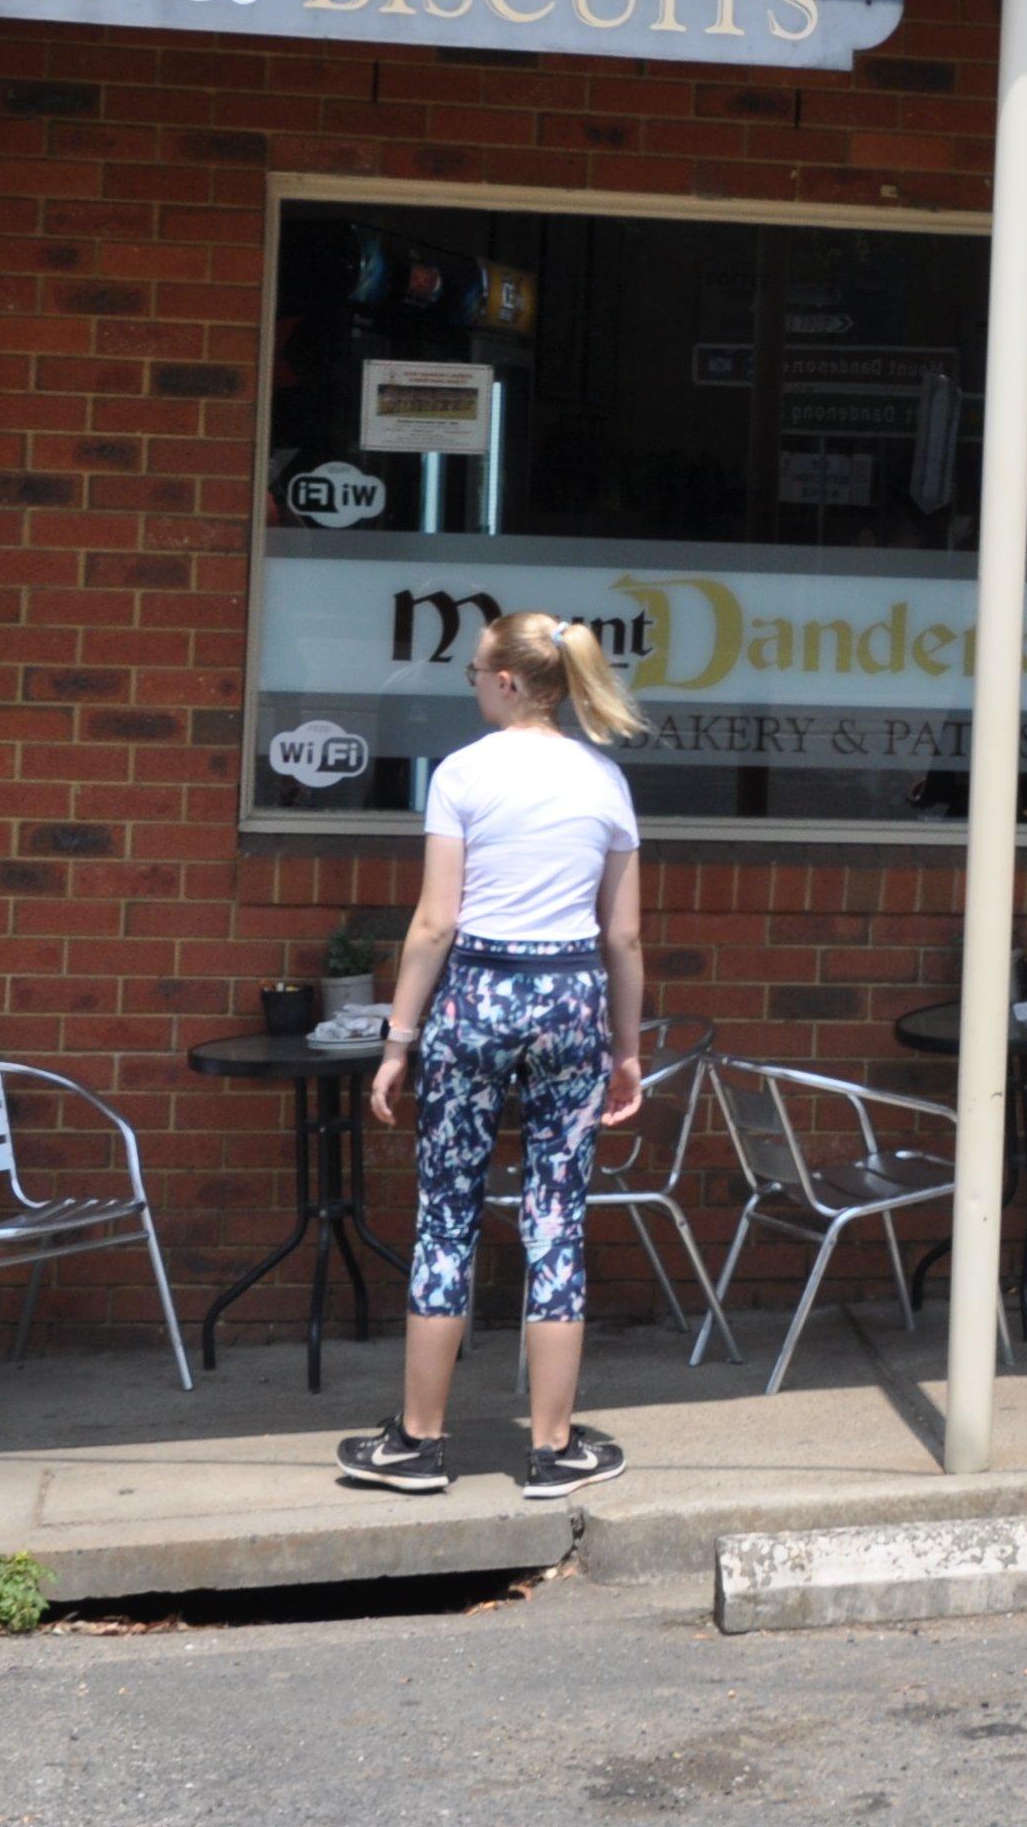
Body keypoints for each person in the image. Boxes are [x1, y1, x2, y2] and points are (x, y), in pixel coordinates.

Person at [342, 613, 649, 1502]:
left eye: (475, 671)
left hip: (478, 992)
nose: (473, 683)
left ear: (508, 681)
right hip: (571, 998)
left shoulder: (464, 774)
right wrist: (627, 1049)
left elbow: (435, 922)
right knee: (557, 1220)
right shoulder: (604, 779)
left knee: (447, 1216)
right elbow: (623, 937)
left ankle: (418, 1443)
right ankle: (552, 1449)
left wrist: (398, 1042)